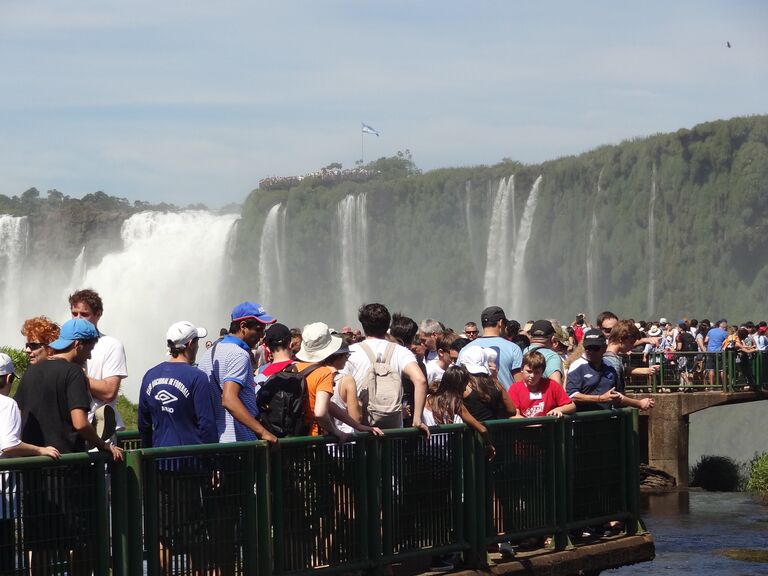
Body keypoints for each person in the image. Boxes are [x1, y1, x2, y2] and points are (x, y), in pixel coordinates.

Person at [14, 318, 122, 575]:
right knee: (79, 541)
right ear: (78, 344)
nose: (91, 353)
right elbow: (80, 422)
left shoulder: (32, 372)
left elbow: (19, 414)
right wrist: (103, 445)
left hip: (35, 473)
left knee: (40, 543)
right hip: (68, 471)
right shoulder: (73, 373)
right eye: (90, 347)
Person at [137, 321, 218, 575]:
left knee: (162, 534)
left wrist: (149, 456)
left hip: (160, 464)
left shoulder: (150, 375)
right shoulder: (197, 377)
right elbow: (207, 425)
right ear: (191, 345)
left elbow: (143, 424)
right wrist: (212, 463)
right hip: (190, 465)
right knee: (195, 532)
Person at [1, 353, 61, 574]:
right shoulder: (7, 405)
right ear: (9, 379)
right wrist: (39, 449)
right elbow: (9, 444)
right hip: (2, 497)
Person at [197, 302, 278, 444]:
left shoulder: (209, 353)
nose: (261, 336)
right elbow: (229, 399)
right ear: (243, 326)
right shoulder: (238, 354)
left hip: (216, 439)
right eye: (258, 329)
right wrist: (263, 432)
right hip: (239, 441)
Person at [342, 303, 428, 434]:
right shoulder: (401, 352)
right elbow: (420, 380)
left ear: (363, 326)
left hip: (359, 431)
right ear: (388, 325)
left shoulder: (350, 352)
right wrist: (417, 418)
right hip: (393, 431)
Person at [69, 288, 128, 437]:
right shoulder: (62, 344)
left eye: (84, 314)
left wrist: (75, 376)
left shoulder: (111, 345)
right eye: (74, 313)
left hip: (99, 429)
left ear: (98, 314)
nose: (78, 319)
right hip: (67, 428)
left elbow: (109, 392)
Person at [566, 329, 653, 412]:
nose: (591, 351)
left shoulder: (610, 366)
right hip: (583, 422)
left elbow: (617, 396)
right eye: (588, 348)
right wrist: (600, 398)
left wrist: (638, 403)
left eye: (595, 348)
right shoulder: (576, 366)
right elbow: (572, 395)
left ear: (604, 347)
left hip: (609, 420)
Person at [457, 306, 523, 390]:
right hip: (505, 400)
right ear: (500, 322)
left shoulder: (465, 349)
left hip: (475, 400)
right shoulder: (513, 348)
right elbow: (520, 384)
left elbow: (459, 380)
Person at [508, 351, 576, 418]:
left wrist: (558, 410)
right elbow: (515, 414)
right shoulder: (515, 388)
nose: (532, 375)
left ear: (542, 372)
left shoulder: (552, 385)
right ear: (522, 369)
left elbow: (571, 406)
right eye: (529, 371)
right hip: (526, 427)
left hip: (548, 427)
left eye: (537, 372)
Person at [520, 320, 564, 384]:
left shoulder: (525, 350)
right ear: (552, 338)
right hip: (543, 393)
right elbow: (556, 385)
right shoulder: (552, 356)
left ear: (530, 337)